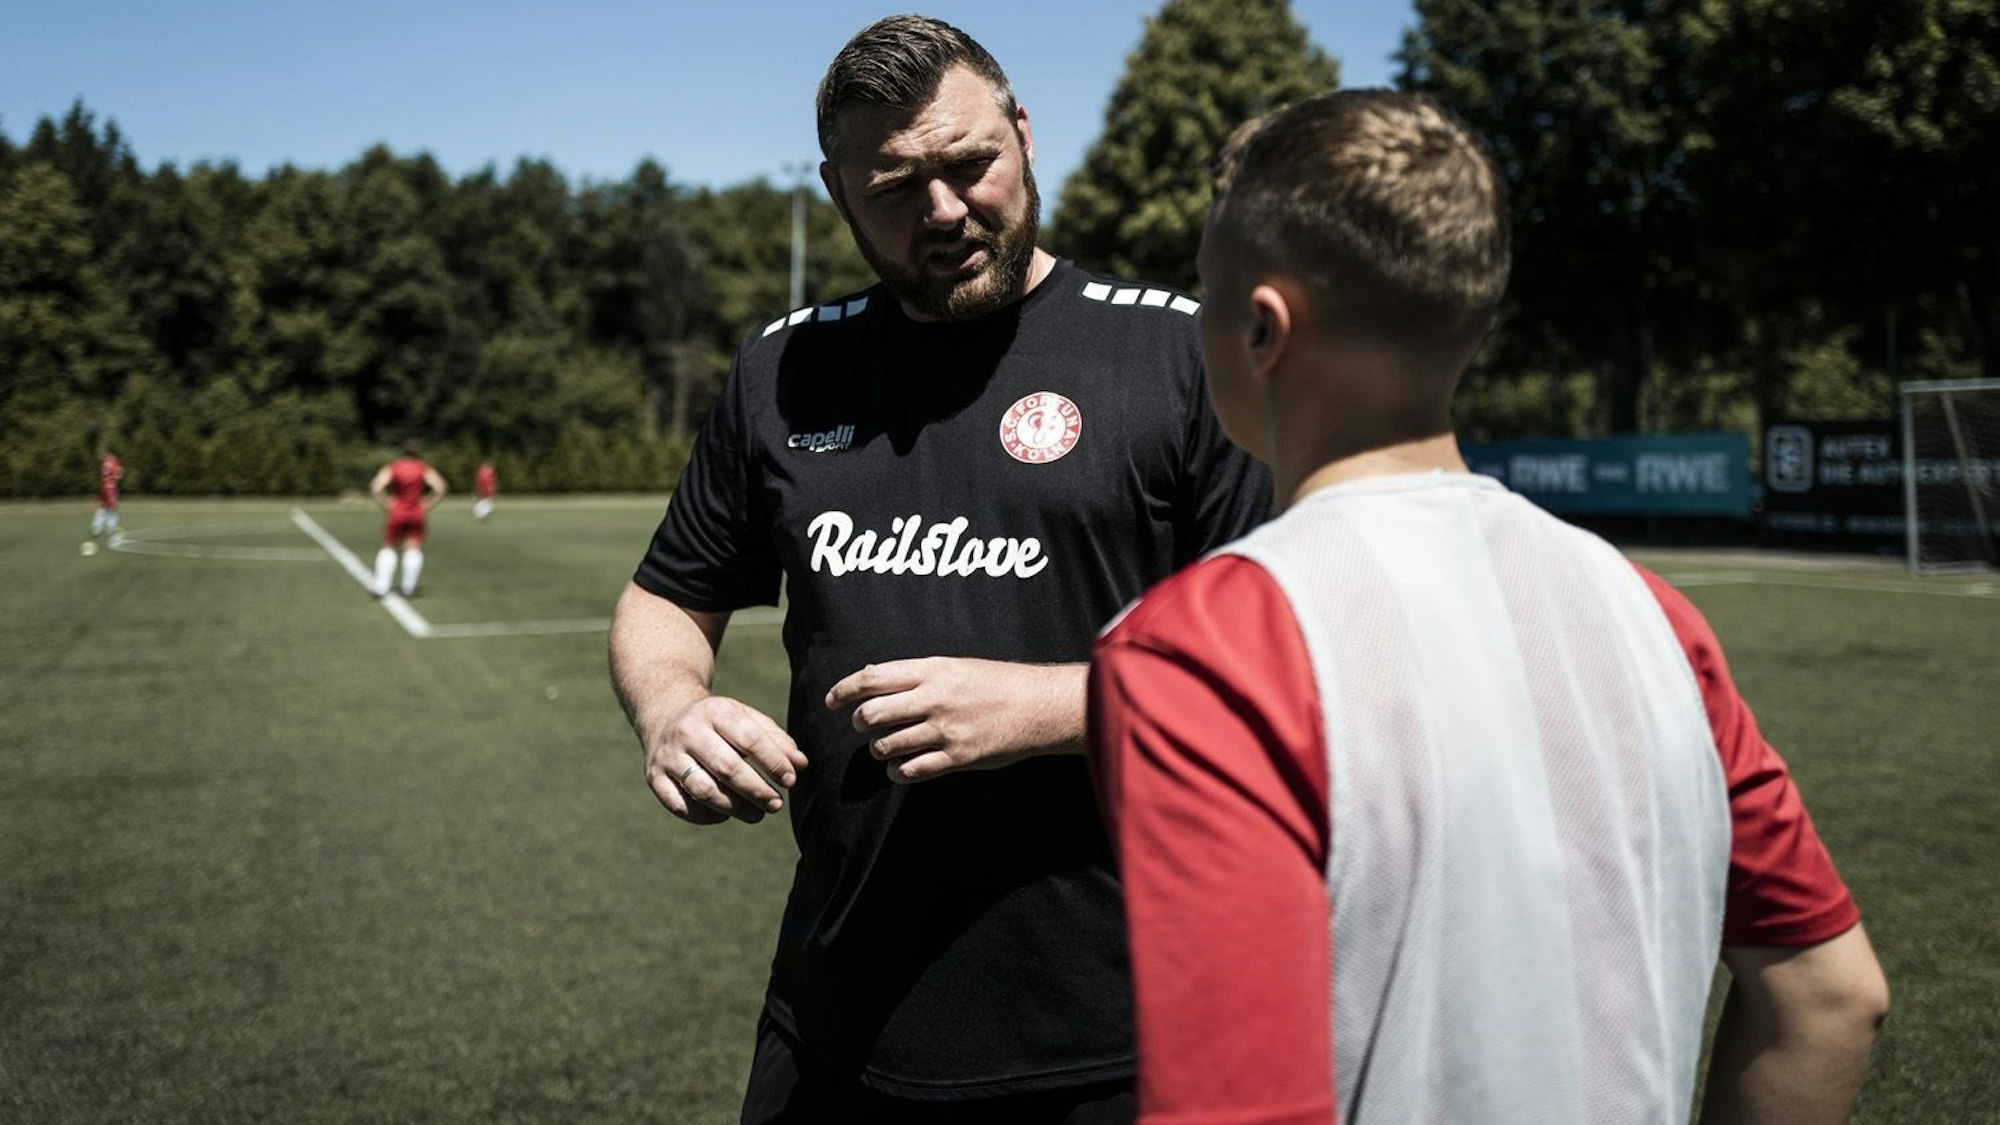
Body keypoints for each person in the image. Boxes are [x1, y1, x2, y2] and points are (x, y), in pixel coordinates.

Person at [1087, 91, 1888, 1125]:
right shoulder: (1652, 615)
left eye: (1202, 294)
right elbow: (1827, 1000)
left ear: (1259, 326)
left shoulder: (1198, 648)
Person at [607, 15, 1268, 1123]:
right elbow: (668, 595)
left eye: (971, 166)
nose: (945, 212)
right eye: (895, 186)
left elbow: (1290, 669)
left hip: (1114, 1034)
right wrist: (670, 707)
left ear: (1023, 134)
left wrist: (1056, 706)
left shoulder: (1179, 359)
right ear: (835, 191)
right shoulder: (782, 370)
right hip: (834, 1020)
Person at [368, 441, 447, 597]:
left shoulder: (393, 466)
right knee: (413, 547)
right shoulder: (422, 468)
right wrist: (428, 503)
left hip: (397, 511)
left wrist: (385, 503)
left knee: (389, 546)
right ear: (418, 453)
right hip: (416, 511)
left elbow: (376, 487)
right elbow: (440, 487)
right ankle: (409, 587)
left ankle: (381, 587)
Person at [90, 448, 123, 540]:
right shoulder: (113, 460)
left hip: (107, 488)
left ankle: (97, 529)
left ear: (104, 454)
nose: (100, 458)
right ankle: (110, 530)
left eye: (100, 456)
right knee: (111, 510)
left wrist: (109, 493)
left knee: (103, 509)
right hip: (110, 488)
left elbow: (113, 475)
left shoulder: (107, 464)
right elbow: (119, 472)